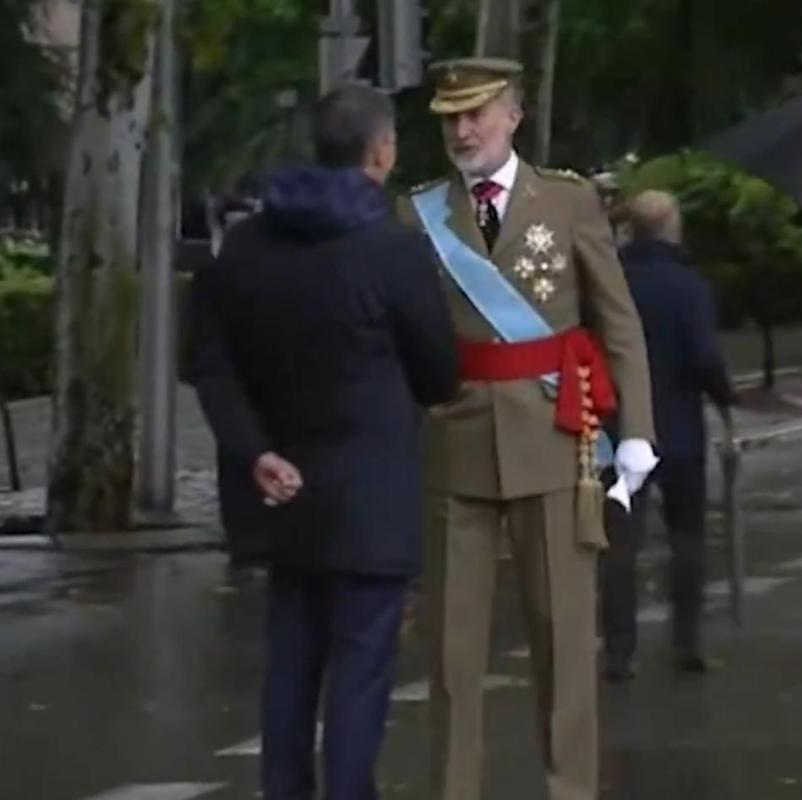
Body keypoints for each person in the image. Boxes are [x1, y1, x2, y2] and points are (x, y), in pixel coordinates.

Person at [190, 85, 459, 799]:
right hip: (370, 501)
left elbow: (209, 364)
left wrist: (255, 451)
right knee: (359, 675)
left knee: (290, 667)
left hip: (280, 496)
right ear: (381, 151)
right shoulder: (392, 251)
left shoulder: (245, 247)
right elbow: (440, 374)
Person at [398, 58, 656, 800]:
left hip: (554, 442)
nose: (462, 130)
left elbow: (619, 322)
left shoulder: (568, 202)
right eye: (450, 117)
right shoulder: (416, 215)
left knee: (565, 646)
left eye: (477, 114)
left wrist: (634, 429)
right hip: (455, 442)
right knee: (451, 655)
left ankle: (570, 790)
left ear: (514, 116)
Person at [599, 190, 736, 683]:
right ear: (671, 228)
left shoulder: (612, 283)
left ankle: (618, 650)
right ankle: (686, 641)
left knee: (619, 543)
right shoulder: (688, 285)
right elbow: (703, 354)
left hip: (620, 427)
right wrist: (724, 395)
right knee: (687, 535)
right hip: (679, 428)